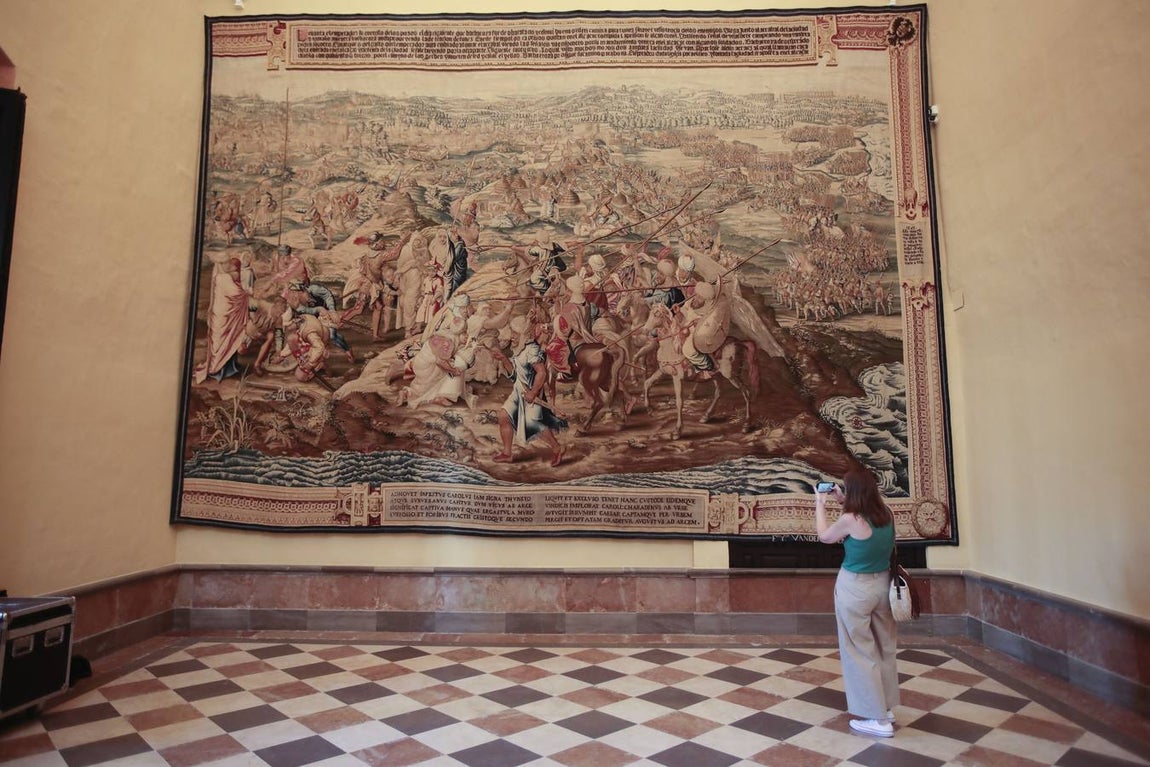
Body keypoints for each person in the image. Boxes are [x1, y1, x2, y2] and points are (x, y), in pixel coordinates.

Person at [815, 469, 899, 738]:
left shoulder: (851, 519)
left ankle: (876, 719)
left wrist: (820, 504)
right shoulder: (885, 513)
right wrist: (842, 499)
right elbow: (861, 520)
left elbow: (825, 537)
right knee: (884, 646)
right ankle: (885, 707)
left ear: (854, 492)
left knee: (859, 651)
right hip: (882, 586)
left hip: (856, 588)